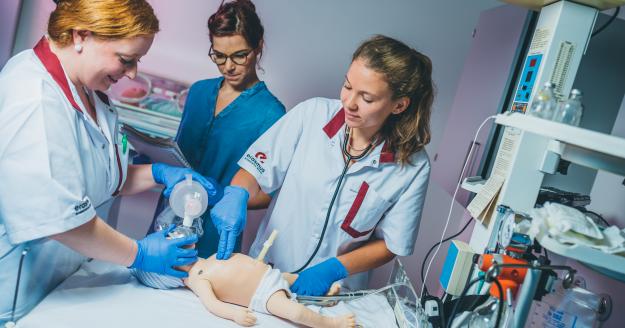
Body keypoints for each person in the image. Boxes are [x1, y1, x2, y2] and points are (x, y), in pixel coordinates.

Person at [0, 0, 220, 321]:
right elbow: (62, 220)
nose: (132, 73)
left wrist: (159, 173)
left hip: (66, 280)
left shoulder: (92, 94)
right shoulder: (35, 99)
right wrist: (139, 253)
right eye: (126, 60)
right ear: (80, 36)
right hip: (20, 295)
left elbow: (100, 178)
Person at [211, 35, 434, 296]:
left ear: (399, 105)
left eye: (367, 98)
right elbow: (254, 172)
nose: (349, 102)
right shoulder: (311, 115)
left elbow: (390, 244)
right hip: (266, 273)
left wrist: (333, 269)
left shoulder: (413, 167)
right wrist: (237, 193)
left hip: (334, 292)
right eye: (348, 86)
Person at [151, 0, 285, 259]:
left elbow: (270, 195)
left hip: (216, 228)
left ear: (259, 47)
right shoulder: (199, 91)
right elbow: (179, 153)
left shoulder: (271, 114)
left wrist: (224, 196)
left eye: (239, 55)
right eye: (219, 55)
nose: (229, 66)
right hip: (169, 213)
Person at [132, 253, 355, 328]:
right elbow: (213, 304)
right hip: (261, 294)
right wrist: (235, 315)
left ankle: (322, 296)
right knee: (295, 313)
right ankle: (331, 324)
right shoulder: (195, 280)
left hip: (270, 275)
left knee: (298, 281)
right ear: (167, 273)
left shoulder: (201, 259)